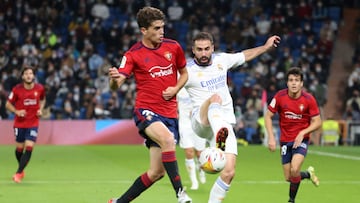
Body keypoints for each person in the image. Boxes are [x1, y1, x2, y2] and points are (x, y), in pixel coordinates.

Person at [184, 32, 281, 203]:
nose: (204, 53)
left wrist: (266, 47)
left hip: (223, 123)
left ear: (212, 48)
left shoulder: (222, 60)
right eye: (199, 50)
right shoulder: (187, 70)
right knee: (215, 99)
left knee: (229, 172)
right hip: (201, 120)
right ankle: (219, 144)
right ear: (193, 50)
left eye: (207, 49)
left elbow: (245, 55)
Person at [108, 6, 191, 203]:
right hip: (145, 111)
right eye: (156, 28)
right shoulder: (133, 54)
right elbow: (117, 84)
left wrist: (175, 89)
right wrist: (113, 79)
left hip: (170, 114)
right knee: (168, 140)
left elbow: (185, 73)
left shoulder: (174, 47)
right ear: (144, 30)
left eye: (162, 28)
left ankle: (119, 202)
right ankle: (181, 194)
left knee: (156, 173)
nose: (161, 32)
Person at [264, 67, 321, 203]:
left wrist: (303, 132)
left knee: (295, 169)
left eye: (297, 80)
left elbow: (318, 121)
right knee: (289, 177)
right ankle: (307, 174)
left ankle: (291, 200)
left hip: (301, 140)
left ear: (302, 83)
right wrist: (271, 137)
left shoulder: (309, 99)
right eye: (291, 80)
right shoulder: (279, 97)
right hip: (285, 141)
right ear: (287, 83)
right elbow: (268, 116)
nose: (294, 83)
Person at [5, 66, 46, 183]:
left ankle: (18, 173)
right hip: (19, 123)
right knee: (19, 150)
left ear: (33, 76)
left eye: (31, 73)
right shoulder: (16, 89)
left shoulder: (40, 88)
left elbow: (43, 99)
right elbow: (8, 104)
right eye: (26, 74)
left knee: (29, 147)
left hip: (33, 122)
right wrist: (17, 111)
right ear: (23, 76)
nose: (29, 75)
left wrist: (40, 110)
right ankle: (21, 169)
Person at [177, 87, 207, 190]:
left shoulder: (197, 86)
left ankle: (201, 170)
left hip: (197, 123)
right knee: (189, 152)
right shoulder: (178, 87)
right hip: (184, 124)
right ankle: (194, 182)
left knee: (199, 153)